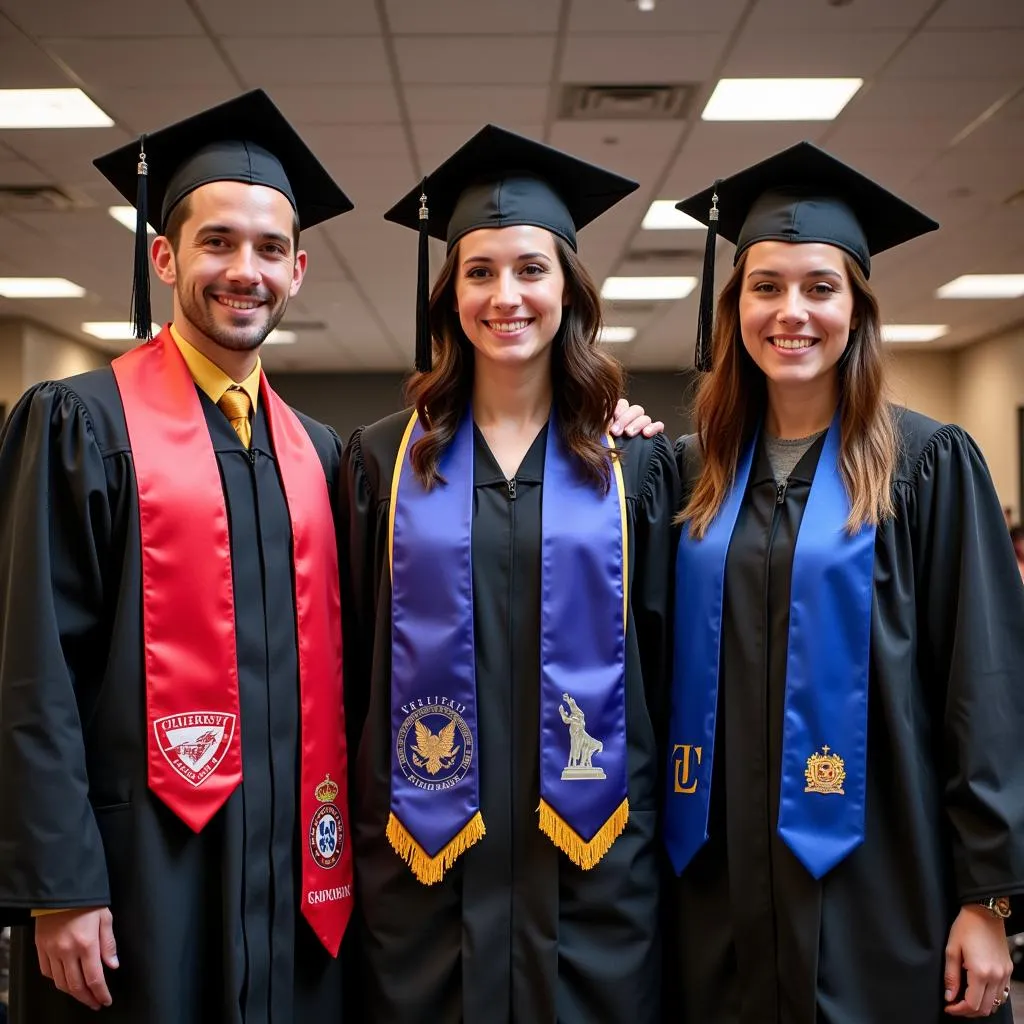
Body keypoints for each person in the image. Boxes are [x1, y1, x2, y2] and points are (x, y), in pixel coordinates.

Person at [0, 90, 355, 1023]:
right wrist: (59, 883)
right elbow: (32, 669)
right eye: (217, 243)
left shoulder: (316, 452)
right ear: (164, 256)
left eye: (270, 250)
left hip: (291, 869)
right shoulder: (80, 422)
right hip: (136, 874)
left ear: (299, 268)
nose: (246, 271)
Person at [663, 142, 1024, 1023]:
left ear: (858, 308)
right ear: (734, 306)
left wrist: (990, 899)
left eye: (820, 288)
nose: (793, 312)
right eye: (766, 287)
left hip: (885, 879)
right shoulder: (688, 476)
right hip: (718, 885)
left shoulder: (928, 465)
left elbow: (986, 688)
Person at [339, 125, 678, 1023]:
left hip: (594, 879)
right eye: (479, 273)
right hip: (426, 877)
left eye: (531, 268)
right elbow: (354, 664)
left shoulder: (634, 469)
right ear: (450, 297)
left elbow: (668, 663)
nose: (506, 295)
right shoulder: (379, 463)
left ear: (568, 288)